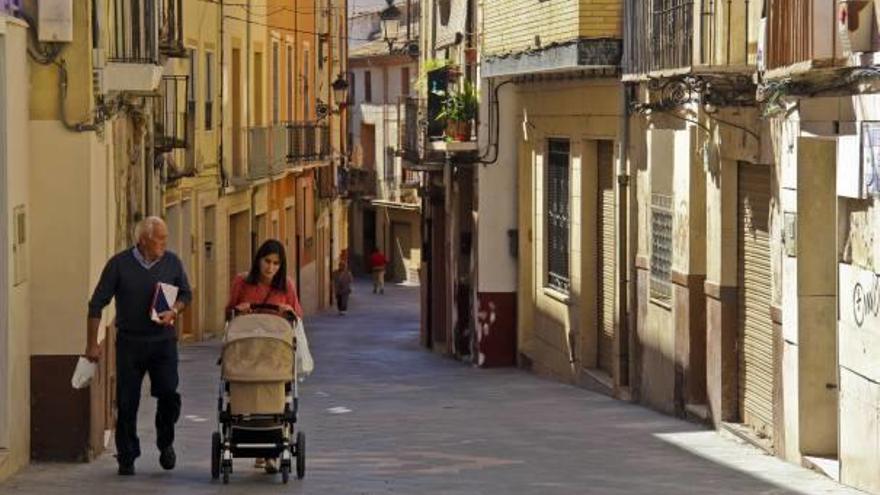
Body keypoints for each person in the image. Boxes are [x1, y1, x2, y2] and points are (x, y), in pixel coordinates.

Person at [85, 216, 192, 476]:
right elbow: (96, 304)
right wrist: (91, 344)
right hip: (130, 343)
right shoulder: (119, 265)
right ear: (143, 240)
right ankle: (127, 455)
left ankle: (165, 442)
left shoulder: (172, 262)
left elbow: (186, 294)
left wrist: (174, 312)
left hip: (163, 342)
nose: (165, 243)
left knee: (168, 394)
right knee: (127, 401)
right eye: (160, 239)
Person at [225, 239, 303, 473]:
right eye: (267, 261)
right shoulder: (242, 282)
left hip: (274, 354)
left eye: (276, 263)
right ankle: (261, 452)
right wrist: (238, 310)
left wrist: (289, 312)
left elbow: (298, 314)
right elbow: (228, 311)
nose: (270, 267)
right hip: (247, 353)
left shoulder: (286, 286)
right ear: (258, 259)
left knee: (275, 400)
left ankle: (271, 453)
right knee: (249, 397)